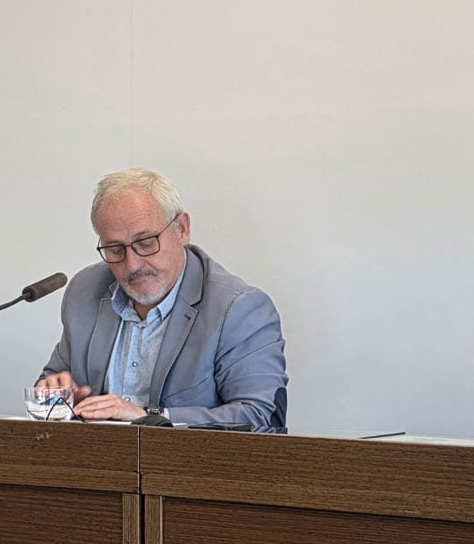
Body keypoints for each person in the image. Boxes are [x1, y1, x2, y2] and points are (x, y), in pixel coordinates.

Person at [38, 168, 287, 429]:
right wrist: (56, 394)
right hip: (97, 465)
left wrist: (148, 416)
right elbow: (52, 380)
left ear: (181, 229)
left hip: (188, 467)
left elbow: (260, 418)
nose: (132, 265)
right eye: (115, 249)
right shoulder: (85, 291)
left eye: (145, 243)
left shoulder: (239, 309)